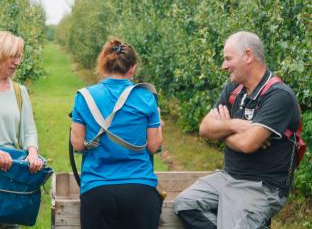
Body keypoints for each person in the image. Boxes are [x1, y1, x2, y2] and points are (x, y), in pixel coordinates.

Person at [174, 31, 301, 229]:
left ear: (248, 56)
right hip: (227, 177)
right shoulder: (234, 90)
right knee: (185, 204)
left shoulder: (279, 96)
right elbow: (205, 128)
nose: (224, 66)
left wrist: (222, 131)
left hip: (261, 187)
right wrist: (234, 125)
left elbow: (247, 144)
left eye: (228, 59)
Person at [70, 38, 163, 229]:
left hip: (97, 190)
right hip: (140, 189)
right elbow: (154, 146)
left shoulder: (84, 97)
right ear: (133, 68)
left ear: (103, 65)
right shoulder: (146, 97)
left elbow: (78, 145)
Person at [0, 31, 43, 229]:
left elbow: (28, 131)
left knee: (9, 222)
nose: (18, 62)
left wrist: (32, 153)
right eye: (13, 56)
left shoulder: (19, 91)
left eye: (19, 56)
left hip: (8, 174)